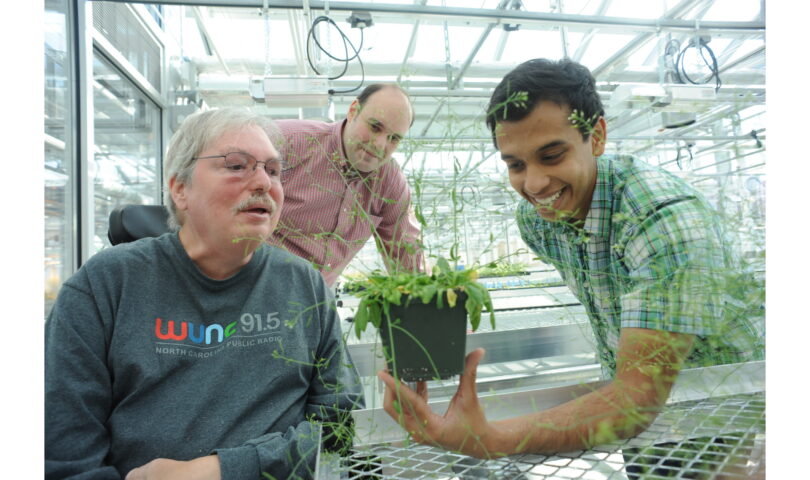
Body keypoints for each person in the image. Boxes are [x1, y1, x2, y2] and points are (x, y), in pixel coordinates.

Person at [377, 58, 764, 473]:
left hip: (723, 395)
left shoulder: (663, 220)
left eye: (552, 155)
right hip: (635, 399)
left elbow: (636, 398)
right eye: (516, 164)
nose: (535, 184)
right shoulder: (538, 223)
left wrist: (492, 438)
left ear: (596, 136)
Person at [45, 108, 363, 479]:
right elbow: (66, 457)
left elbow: (342, 425)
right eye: (236, 165)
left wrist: (219, 470)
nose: (264, 182)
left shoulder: (304, 285)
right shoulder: (104, 287)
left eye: (273, 170)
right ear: (180, 188)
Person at [269, 83, 425, 287]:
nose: (380, 144)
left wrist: (426, 296)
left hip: (317, 301)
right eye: (375, 127)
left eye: (393, 138)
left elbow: (406, 252)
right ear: (353, 111)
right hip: (256, 287)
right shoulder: (287, 141)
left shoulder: (390, 182)